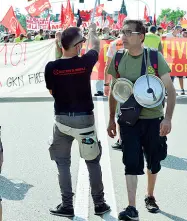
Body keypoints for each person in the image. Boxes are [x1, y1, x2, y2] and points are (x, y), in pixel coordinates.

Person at [107, 19, 176, 220]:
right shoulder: (118, 58)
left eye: (129, 32)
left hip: (154, 119)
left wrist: (168, 119)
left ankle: (150, 195)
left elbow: (171, 92)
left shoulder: (154, 57)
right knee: (130, 161)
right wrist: (111, 119)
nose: (124, 36)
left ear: (141, 36)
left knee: (153, 161)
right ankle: (131, 208)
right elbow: (114, 91)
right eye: (122, 32)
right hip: (128, 120)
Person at [45, 24, 110, 217]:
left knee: (62, 163)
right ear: (79, 46)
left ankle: (67, 205)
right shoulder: (85, 62)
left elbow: (51, 91)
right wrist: (91, 33)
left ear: (61, 45)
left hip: (63, 122)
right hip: (84, 122)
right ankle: (99, 203)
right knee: (92, 162)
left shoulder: (52, 67)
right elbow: (96, 46)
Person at [104, 34, 124, 150]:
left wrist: (106, 84)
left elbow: (108, 65)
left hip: (119, 84)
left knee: (120, 113)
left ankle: (122, 140)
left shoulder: (114, 44)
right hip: (134, 82)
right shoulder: (140, 42)